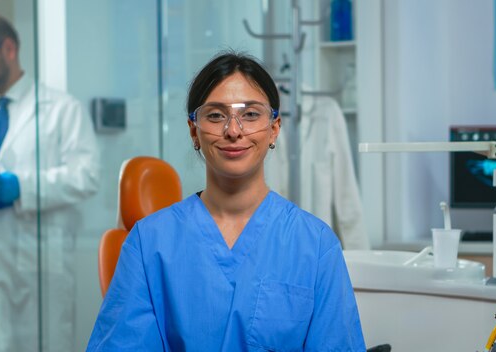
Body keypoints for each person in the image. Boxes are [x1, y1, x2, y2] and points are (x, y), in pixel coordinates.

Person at [87, 51, 365, 351]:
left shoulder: (316, 245)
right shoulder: (149, 243)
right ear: (194, 131)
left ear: (274, 129)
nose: (234, 131)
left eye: (250, 114)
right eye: (216, 115)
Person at [0, 14, 100, 351]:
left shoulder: (62, 110)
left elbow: (86, 175)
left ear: (9, 48)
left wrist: (22, 186)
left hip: (38, 265)